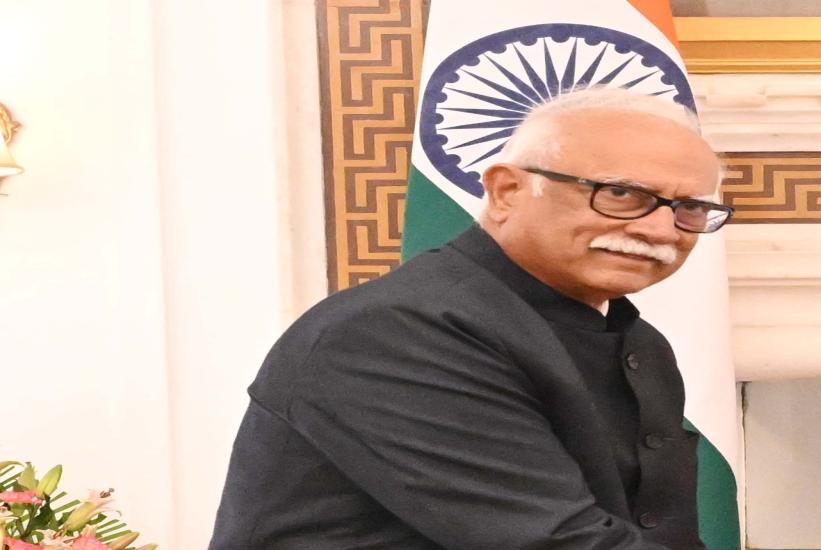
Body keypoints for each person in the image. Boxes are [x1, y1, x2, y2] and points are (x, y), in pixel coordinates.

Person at [210, 87, 734, 549]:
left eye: (688, 207)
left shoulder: (640, 341)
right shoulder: (395, 332)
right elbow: (552, 542)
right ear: (506, 191)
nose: (662, 230)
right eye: (621, 193)